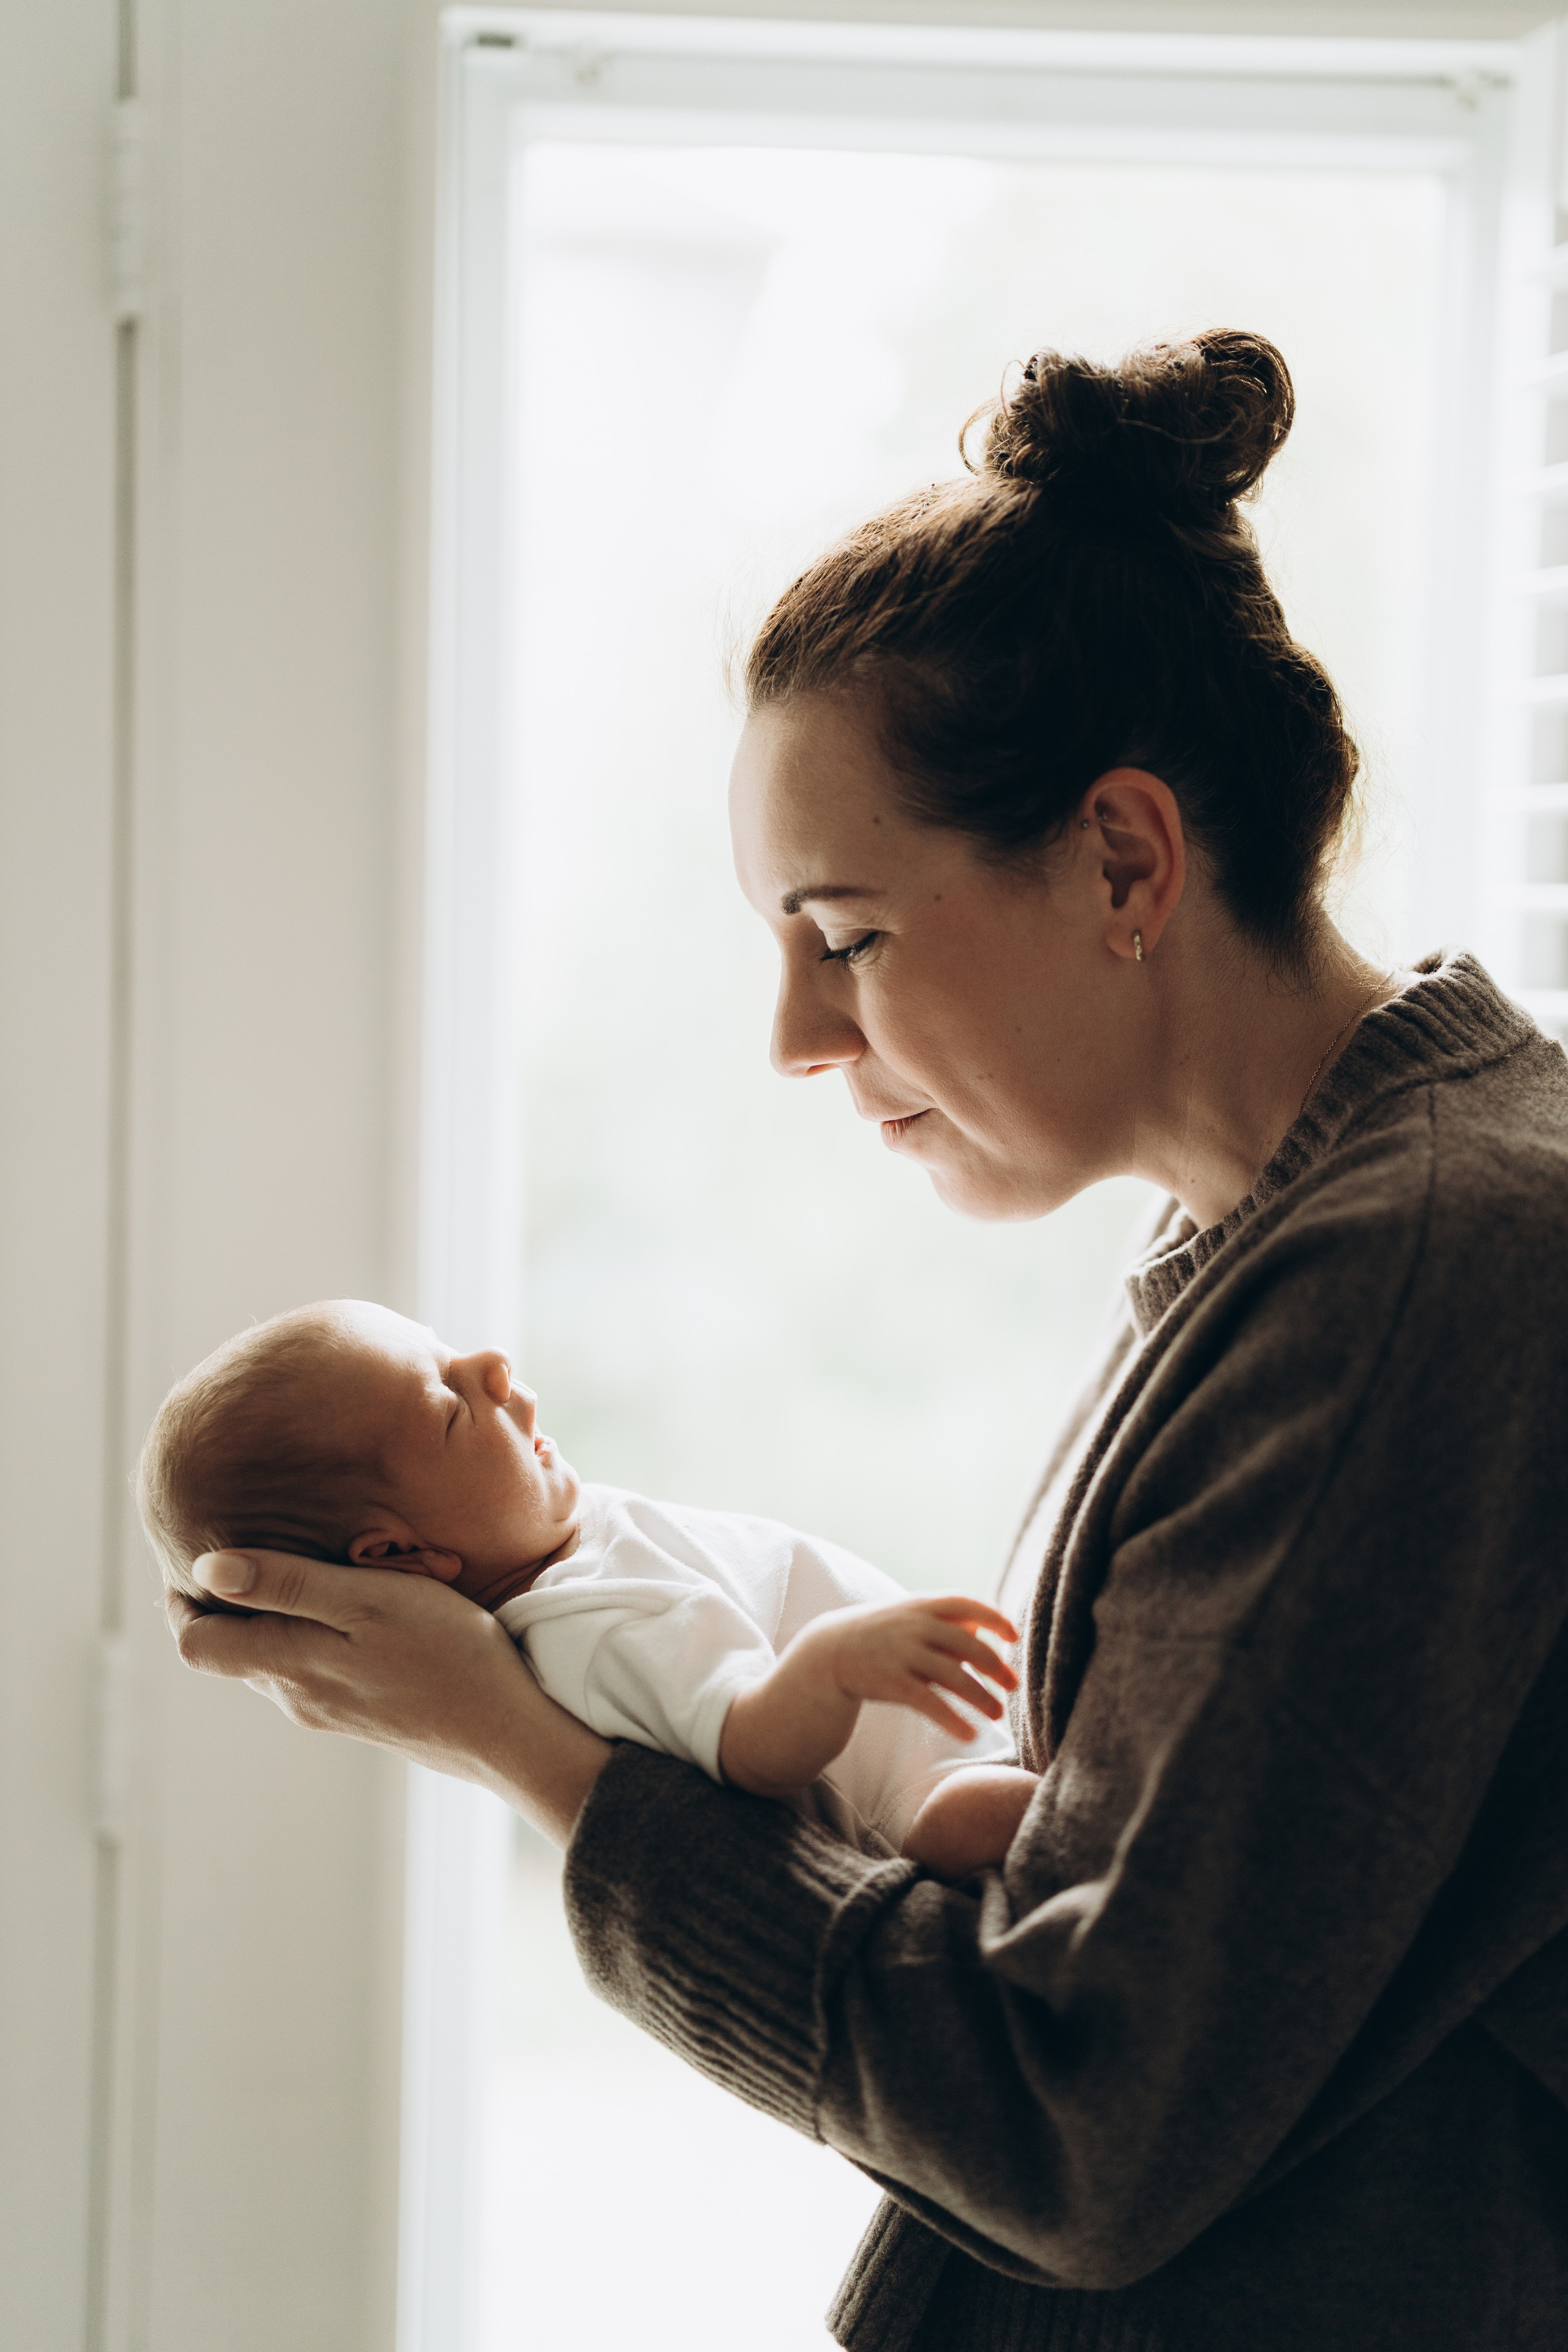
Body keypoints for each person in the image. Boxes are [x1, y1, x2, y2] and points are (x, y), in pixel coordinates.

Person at [170, 329, 1568, 2350]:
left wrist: (532, 1748)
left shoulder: (1413, 1281)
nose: (796, 1037)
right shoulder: (1311, 1239)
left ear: (1124, 860)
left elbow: (1070, 2126)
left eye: (847, 937)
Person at [137, 1298, 1032, 1873]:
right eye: (449, 1403)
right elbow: (753, 1748)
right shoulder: (587, 1627)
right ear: (400, 1556)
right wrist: (834, 1665)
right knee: (991, 1824)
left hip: (967, 1737)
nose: (491, 1366)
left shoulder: (574, 1551)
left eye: (450, 1351)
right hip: (924, 1801)